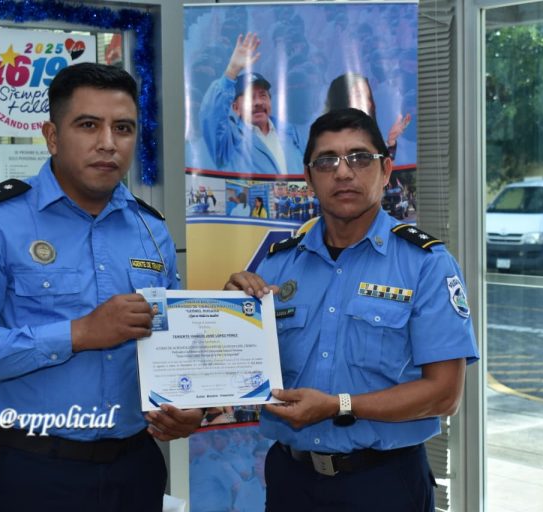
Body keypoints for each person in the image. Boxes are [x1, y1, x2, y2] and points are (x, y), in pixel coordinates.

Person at [0, 62, 203, 512]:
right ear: (52, 137)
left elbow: (170, 348)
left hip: (135, 469)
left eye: (123, 128)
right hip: (34, 471)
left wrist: (188, 407)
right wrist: (78, 333)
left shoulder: (151, 229)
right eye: (88, 125)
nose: (108, 143)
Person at [226, 108, 478, 511]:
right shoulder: (277, 265)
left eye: (359, 158)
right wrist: (230, 315)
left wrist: (339, 405)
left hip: (383, 483)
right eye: (327, 161)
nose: (343, 172)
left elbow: (445, 394)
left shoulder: (426, 265)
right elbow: (244, 374)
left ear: (386, 169)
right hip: (291, 480)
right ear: (309, 178)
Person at [200, 32, 304, 175]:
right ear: (236, 107)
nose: (258, 102)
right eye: (250, 98)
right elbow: (210, 115)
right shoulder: (229, 141)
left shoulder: (290, 133)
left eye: (263, 95)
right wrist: (231, 71)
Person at [324, 72, 412, 161]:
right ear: (340, 99)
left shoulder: (366, 136)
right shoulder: (326, 141)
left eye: (368, 97)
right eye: (358, 95)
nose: (367, 103)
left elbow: (380, 165)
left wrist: (391, 142)